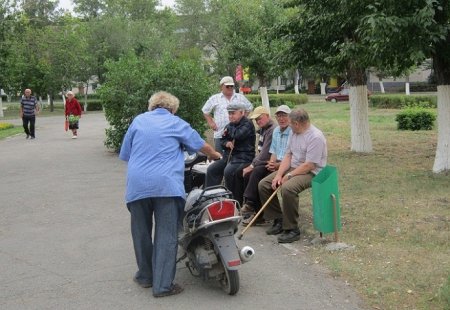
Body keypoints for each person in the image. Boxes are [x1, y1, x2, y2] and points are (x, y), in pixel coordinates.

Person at [119, 91, 221, 297]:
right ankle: (163, 285)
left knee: (141, 233)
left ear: (152, 106)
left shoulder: (138, 121)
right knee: (166, 235)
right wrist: (216, 155)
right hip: (166, 186)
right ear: (172, 109)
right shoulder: (176, 123)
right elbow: (202, 146)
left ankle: (146, 276)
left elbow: (125, 154)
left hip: (137, 187)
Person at [258, 109, 327, 243]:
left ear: (297, 123)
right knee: (264, 184)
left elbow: (310, 165)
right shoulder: (294, 132)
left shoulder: (316, 137)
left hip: (312, 172)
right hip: (294, 167)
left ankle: (292, 229)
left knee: (288, 188)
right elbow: (288, 155)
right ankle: (278, 219)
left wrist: (289, 175)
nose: (288, 126)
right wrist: (279, 175)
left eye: (290, 123)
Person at [241, 105, 292, 226]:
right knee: (251, 173)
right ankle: (257, 211)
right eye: (279, 116)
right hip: (275, 163)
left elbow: (290, 156)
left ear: (290, 117)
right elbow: (273, 151)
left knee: (258, 175)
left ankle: (252, 204)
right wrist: (272, 162)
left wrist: (276, 165)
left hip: (287, 165)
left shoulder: (292, 132)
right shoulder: (275, 130)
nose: (281, 119)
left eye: (284, 116)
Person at [205, 102, 255, 205]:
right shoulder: (230, 125)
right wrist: (227, 143)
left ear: (242, 113)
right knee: (212, 169)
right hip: (230, 157)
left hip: (244, 157)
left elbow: (238, 135)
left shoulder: (248, 123)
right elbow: (222, 140)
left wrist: (228, 131)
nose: (230, 116)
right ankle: (210, 199)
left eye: (233, 113)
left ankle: (235, 202)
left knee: (229, 171)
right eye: (229, 114)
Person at [202, 76, 253, 153]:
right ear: (221, 87)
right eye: (227, 86)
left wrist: (242, 119)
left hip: (238, 135)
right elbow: (205, 110)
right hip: (220, 134)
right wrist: (211, 122)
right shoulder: (215, 98)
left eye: (231, 86)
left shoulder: (240, 97)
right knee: (220, 159)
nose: (230, 88)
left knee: (236, 159)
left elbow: (249, 107)